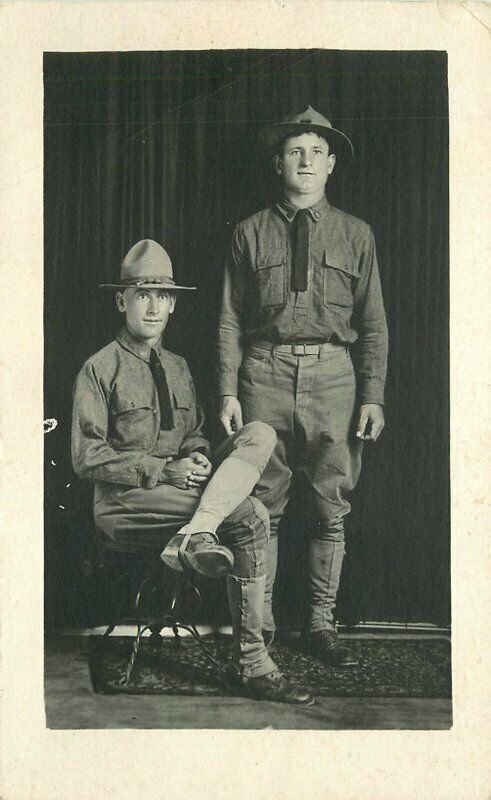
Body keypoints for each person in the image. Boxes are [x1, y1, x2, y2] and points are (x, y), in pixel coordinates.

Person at [72, 238, 313, 705]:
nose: (153, 306)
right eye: (143, 294)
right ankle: (251, 663)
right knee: (250, 516)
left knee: (260, 432)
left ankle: (197, 531)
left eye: (163, 296)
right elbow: (88, 458)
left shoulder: (179, 367)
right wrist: (165, 470)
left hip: (185, 489)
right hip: (125, 503)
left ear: (174, 305)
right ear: (122, 300)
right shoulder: (99, 369)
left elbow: (195, 432)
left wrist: (200, 455)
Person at [218, 106, 388, 666]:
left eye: (317, 151)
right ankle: (257, 632)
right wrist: (226, 392)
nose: (306, 160)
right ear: (277, 162)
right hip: (263, 373)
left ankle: (321, 624)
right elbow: (229, 321)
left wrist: (373, 395)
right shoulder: (247, 232)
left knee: (329, 505)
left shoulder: (357, 235)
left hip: (334, 378)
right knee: (260, 504)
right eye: (296, 150)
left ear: (332, 163)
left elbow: (374, 324)